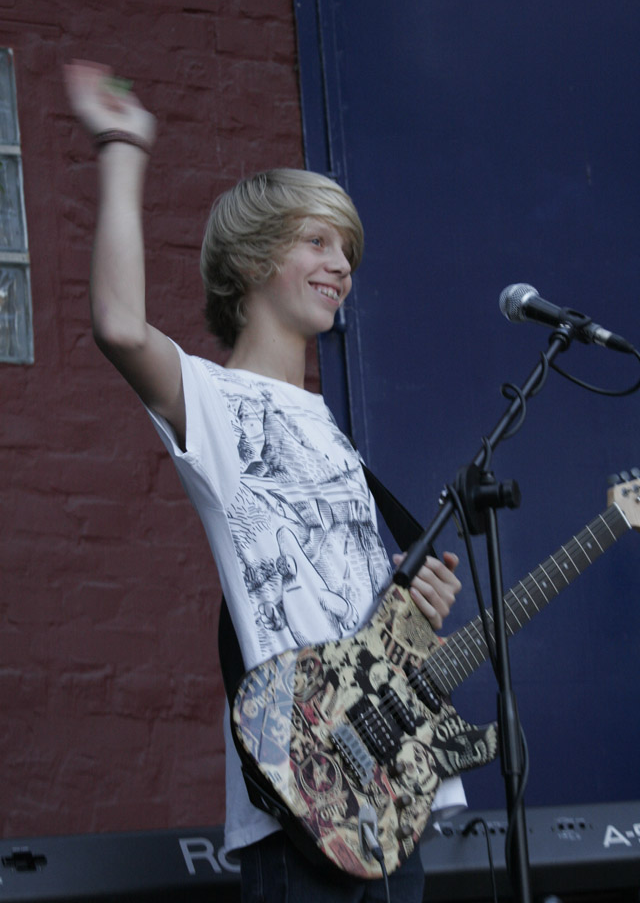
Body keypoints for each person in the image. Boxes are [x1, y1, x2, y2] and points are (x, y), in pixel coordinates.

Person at [64, 60, 466, 902]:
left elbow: (353, 616)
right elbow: (118, 326)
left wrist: (415, 606)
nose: (341, 264)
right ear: (251, 261)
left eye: (347, 250)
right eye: (317, 242)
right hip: (302, 805)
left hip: (392, 796)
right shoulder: (215, 402)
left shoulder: (331, 433)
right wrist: (123, 148)